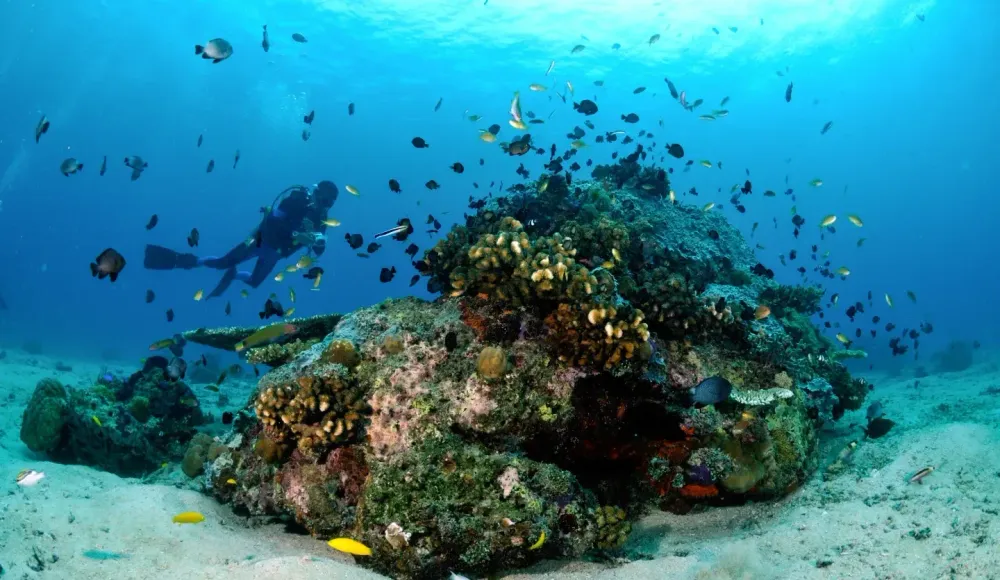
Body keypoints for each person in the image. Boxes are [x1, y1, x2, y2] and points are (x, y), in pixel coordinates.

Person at [144, 180, 338, 298]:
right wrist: (297, 234)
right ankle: (186, 260)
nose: (325, 206)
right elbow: (272, 220)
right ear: (316, 193)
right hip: (260, 239)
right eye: (323, 200)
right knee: (222, 262)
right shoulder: (296, 200)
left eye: (329, 203)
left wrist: (318, 242)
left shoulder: (322, 220)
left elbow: (318, 250)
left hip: (276, 254)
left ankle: (233, 275)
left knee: (253, 282)